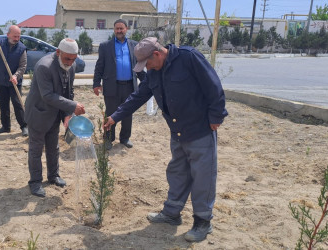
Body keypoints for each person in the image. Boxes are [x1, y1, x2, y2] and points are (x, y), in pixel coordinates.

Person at [103, 37, 228, 242]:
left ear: (157, 54)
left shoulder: (189, 58)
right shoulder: (154, 72)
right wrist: (115, 116)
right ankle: (171, 213)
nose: (147, 68)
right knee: (177, 172)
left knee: (203, 176)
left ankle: (203, 221)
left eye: (148, 63)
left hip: (199, 128)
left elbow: (213, 84)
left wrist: (216, 115)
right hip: (177, 131)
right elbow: (138, 96)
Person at [24, 38, 86, 197]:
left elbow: (68, 92)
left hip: (54, 113)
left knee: (53, 147)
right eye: (67, 59)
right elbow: (47, 96)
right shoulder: (44, 66)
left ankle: (53, 176)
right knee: (36, 149)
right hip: (39, 112)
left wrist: (67, 114)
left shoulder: (71, 66)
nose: (70, 63)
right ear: (58, 52)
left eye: (74, 59)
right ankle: (35, 182)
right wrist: (73, 106)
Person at [93, 19, 146, 150]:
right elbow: (99, 66)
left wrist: (147, 81)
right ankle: (108, 139)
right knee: (110, 113)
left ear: (126, 29)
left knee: (128, 113)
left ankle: (125, 138)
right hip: (112, 86)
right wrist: (96, 83)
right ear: (114, 30)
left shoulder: (134, 45)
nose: (119, 31)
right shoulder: (105, 46)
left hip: (129, 86)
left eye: (121, 28)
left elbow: (139, 66)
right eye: (117, 28)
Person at [0, 25, 28, 137]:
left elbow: (23, 66)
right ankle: (6, 127)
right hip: (0, 80)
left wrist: (16, 76)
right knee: (3, 104)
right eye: (14, 36)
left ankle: (24, 126)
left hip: (14, 82)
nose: (17, 38)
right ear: (8, 35)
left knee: (17, 104)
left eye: (18, 36)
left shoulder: (22, 48)